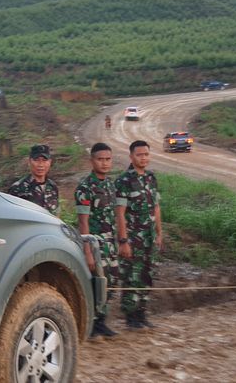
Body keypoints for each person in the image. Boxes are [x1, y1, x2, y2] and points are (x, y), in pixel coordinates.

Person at [115, 139, 163, 329]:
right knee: (131, 276)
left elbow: (156, 207)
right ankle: (131, 317)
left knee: (147, 275)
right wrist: (123, 240)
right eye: (139, 155)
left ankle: (142, 314)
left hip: (149, 238)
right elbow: (119, 213)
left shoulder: (151, 178)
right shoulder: (124, 181)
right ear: (131, 156)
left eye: (146, 154)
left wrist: (160, 233)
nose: (143, 158)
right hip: (133, 239)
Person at [75, 142, 119, 337]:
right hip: (94, 244)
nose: (104, 163)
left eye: (107, 159)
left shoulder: (110, 184)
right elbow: (83, 222)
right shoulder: (85, 188)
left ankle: (101, 321)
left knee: (111, 281)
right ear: (92, 161)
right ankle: (90, 323)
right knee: (95, 283)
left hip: (110, 243)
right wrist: (87, 252)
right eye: (100, 159)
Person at [8, 144, 60, 216]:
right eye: (36, 160)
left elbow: (56, 215)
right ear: (29, 162)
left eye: (44, 160)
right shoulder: (18, 188)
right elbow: (12, 216)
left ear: (50, 162)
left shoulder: (53, 186)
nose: (40, 165)